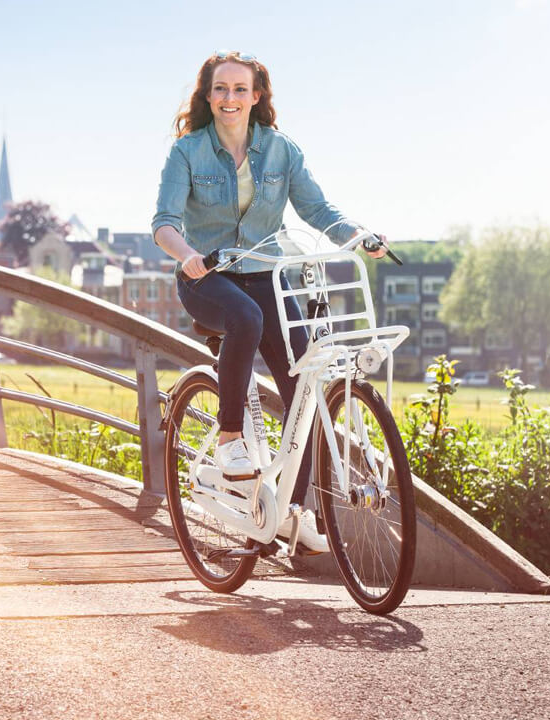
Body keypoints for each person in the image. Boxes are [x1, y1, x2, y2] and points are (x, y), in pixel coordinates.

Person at [151, 50, 386, 551]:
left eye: (240, 89)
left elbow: (318, 209)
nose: (229, 98)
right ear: (208, 96)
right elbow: (164, 224)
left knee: (306, 384)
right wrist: (188, 255)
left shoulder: (281, 150)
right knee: (245, 318)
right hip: (207, 277)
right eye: (220, 89)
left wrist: (358, 234)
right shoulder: (187, 152)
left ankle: (292, 510)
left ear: (257, 97)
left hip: (268, 274)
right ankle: (230, 437)